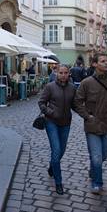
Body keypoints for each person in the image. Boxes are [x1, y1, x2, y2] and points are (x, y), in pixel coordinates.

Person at [74, 53, 107, 194]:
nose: (106, 63)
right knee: (96, 156)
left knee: (105, 154)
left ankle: (93, 170)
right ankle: (97, 183)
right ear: (95, 64)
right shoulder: (86, 83)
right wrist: (87, 116)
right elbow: (78, 102)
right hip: (92, 125)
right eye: (102, 61)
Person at [38, 65, 76, 195]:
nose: (63, 75)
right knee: (56, 149)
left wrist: (87, 114)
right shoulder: (50, 87)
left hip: (66, 123)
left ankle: (51, 167)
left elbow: (75, 105)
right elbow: (41, 103)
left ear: (69, 74)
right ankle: (58, 183)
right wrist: (51, 112)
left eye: (66, 73)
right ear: (56, 73)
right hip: (51, 122)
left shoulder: (72, 88)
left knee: (62, 150)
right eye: (61, 72)